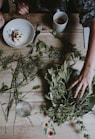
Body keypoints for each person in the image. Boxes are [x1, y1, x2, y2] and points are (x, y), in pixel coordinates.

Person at [16, 0, 95, 98]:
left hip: (67, 19)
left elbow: (93, 19)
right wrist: (20, 3)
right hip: (34, 15)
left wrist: (89, 69)